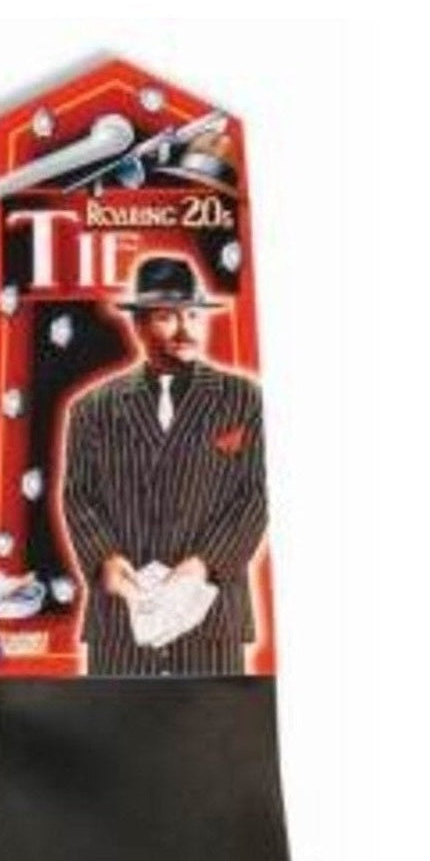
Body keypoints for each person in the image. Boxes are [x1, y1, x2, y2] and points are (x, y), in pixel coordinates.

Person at [60, 255, 268, 676]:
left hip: (212, 619)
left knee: (214, 719)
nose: (185, 329)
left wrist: (203, 564)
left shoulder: (243, 398)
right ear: (137, 325)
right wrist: (106, 560)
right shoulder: (92, 408)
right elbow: (79, 496)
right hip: (122, 620)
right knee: (111, 717)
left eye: (192, 315)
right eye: (166, 317)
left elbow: (256, 497)